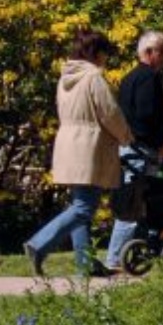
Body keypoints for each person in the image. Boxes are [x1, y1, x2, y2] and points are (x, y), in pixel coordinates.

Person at [24, 29, 133, 278]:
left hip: (68, 143)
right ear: (97, 53)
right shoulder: (93, 76)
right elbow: (109, 112)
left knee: (79, 205)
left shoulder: (66, 77)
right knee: (84, 208)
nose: (106, 60)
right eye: (105, 54)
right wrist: (125, 136)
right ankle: (38, 244)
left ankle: (86, 264)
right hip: (89, 145)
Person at [104, 30, 163, 273]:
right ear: (149, 53)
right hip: (141, 147)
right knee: (133, 203)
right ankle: (115, 257)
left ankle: (136, 251)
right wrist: (160, 142)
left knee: (135, 201)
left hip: (128, 145)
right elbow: (146, 115)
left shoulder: (129, 77)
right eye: (162, 52)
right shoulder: (148, 79)